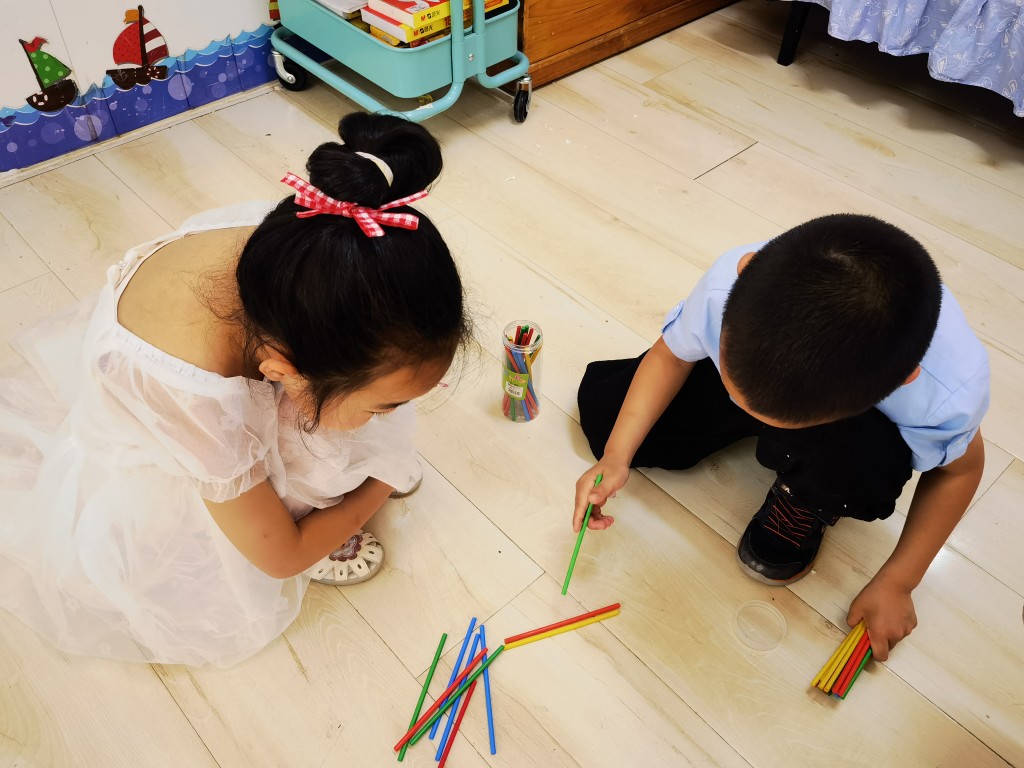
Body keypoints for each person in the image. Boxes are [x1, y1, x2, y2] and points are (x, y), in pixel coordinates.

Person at [0, 112, 471, 667]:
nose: (398, 418)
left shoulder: (312, 248)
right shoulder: (197, 402)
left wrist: (374, 424)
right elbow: (280, 556)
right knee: (316, 458)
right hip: (168, 412)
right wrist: (378, 480)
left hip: (235, 352)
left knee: (343, 417)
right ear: (282, 370)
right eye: (388, 406)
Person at [573, 214, 988, 661]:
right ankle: (758, 396)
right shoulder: (729, 283)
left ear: (901, 382)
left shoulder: (947, 393)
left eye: (774, 419)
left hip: (851, 428)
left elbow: (959, 472)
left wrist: (899, 582)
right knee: (608, 419)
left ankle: (804, 496)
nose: (750, 414)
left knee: (858, 459)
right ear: (746, 268)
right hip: (783, 374)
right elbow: (671, 358)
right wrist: (616, 455)